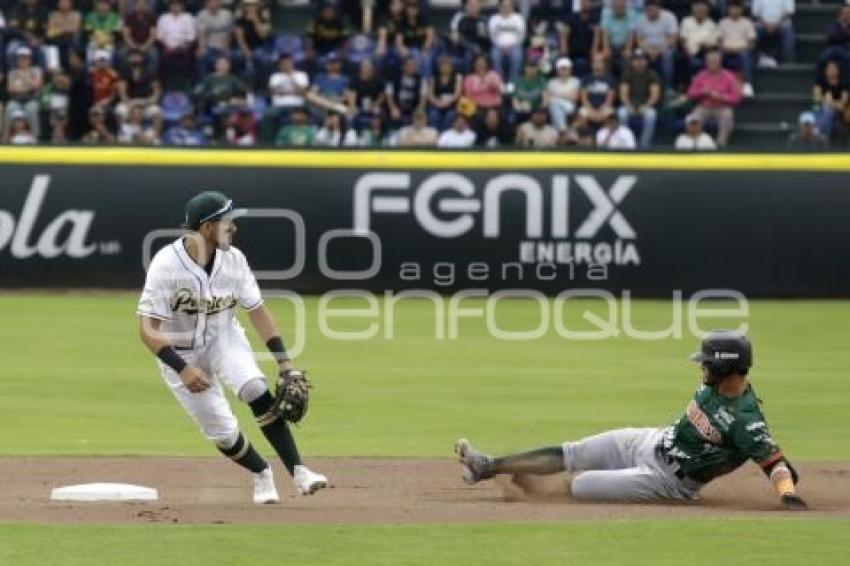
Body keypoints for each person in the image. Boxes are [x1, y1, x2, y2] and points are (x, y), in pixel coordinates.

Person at [456, 330, 808, 511]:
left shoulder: (745, 421)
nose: (701, 366)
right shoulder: (719, 386)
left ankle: (537, 491)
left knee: (583, 484)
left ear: (725, 366)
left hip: (669, 481)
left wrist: (788, 494)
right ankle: (486, 466)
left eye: (707, 361)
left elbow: (775, 463)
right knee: (573, 451)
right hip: (650, 440)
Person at [137, 191, 328, 504]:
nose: (234, 227)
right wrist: (182, 368)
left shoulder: (234, 260)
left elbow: (258, 311)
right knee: (223, 432)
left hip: (223, 337)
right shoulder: (166, 264)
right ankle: (261, 473)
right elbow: (147, 330)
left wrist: (285, 363)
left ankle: (299, 471)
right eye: (227, 221)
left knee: (254, 386)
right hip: (180, 352)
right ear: (207, 227)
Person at [686, 49, 742, 146]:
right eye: (709, 62)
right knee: (693, 118)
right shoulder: (701, 75)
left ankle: (720, 144)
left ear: (719, 62)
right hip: (704, 106)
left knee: (727, 116)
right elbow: (690, 93)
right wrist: (702, 92)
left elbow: (736, 98)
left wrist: (721, 96)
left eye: (714, 62)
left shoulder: (729, 76)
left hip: (722, 106)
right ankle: (694, 145)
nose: (711, 64)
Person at [618, 49, 660, 148]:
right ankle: (626, 145)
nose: (639, 62)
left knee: (651, 115)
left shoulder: (652, 74)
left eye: (642, 60)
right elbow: (623, 94)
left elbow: (655, 96)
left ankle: (644, 146)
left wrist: (645, 106)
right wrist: (629, 105)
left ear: (646, 61)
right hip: (630, 105)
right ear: (632, 62)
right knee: (622, 113)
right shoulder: (627, 74)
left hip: (646, 105)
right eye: (636, 60)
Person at [634, 0, 677, 91]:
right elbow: (639, 40)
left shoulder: (669, 16)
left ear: (659, 9)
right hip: (647, 48)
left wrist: (658, 51)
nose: (651, 13)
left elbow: (672, 39)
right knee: (637, 55)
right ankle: (640, 87)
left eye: (654, 10)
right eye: (648, 10)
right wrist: (649, 50)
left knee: (667, 56)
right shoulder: (640, 19)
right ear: (645, 10)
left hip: (665, 47)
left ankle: (668, 87)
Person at [718, 0, 756, 98]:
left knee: (745, 54)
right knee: (717, 54)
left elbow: (752, 43)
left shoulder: (747, 23)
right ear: (728, 9)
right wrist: (724, 48)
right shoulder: (723, 22)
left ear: (741, 9)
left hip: (742, 50)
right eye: (732, 8)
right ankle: (718, 82)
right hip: (726, 49)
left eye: (737, 8)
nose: (734, 10)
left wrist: (741, 48)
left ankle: (747, 83)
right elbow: (718, 41)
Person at [116, 48, 162, 130]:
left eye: (137, 56)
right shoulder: (124, 72)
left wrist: (150, 101)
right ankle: (124, 135)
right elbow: (122, 92)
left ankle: (155, 137)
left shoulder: (150, 72)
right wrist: (131, 105)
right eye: (132, 56)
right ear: (128, 58)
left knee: (157, 112)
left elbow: (157, 91)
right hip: (129, 102)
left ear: (142, 58)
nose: (135, 58)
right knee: (120, 111)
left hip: (146, 101)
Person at [5, 46, 43, 141]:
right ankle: (4, 138)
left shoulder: (36, 70)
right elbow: (11, 88)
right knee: (10, 108)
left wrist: (22, 82)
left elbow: (36, 85)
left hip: (31, 99)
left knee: (31, 109)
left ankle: (35, 138)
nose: (23, 60)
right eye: (21, 58)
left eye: (25, 58)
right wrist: (28, 82)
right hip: (16, 100)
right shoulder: (12, 72)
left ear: (30, 59)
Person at [559, 0, 602, 78]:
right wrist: (564, 51)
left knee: (581, 63)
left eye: (587, 2)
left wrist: (594, 50)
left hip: (588, 54)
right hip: (572, 52)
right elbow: (564, 33)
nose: (585, 4)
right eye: (583, 2)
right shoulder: (572, 17)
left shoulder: (595, 18)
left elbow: (597, 35)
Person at [488, 0, 526, 83]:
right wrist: (501, 47)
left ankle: (513, 82)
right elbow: (492, 36)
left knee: (517, 56)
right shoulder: (494, 19)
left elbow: (522, 35)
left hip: (515, 46)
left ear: (512, 7)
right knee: (495, 56)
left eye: (508, 6)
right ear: (499, 7)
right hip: (498, 46)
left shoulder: (518, 18)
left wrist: (512, 47)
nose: (506, 8)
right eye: (504, 6)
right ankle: (499, 82)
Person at [196, 0, 234, 77]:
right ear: (206, 4)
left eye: (215, 2)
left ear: (220, 3)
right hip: (208, 46)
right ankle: (203, 82)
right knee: (200, 56)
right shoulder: (201, 15)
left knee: (228, 58)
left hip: (223, 45)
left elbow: (229, 33)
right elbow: (201, 33)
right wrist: (202, 48)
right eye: (210, 2)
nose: (213, 4)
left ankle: (226, 83)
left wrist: (226, 48)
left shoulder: (227, 14)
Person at [679, 0, 718, 75]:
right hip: (688, 53)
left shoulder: (712, 24)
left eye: (702, 11)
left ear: (707, 12)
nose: (700, 13)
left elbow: (714, 44)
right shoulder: (686, 21)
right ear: (694, 11)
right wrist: (687, 52)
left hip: (705, 52)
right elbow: (682, 40)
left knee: (705, 61)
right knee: (693, 62)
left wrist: (705, 46)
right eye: (698, 11)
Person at [385, 55, 425, 127]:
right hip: (398, 107)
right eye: (408, 65)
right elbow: (389, 96)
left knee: (419, 116)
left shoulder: (421, 80)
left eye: (413, 65)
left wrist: (418, 110)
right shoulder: (394, 78)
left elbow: (423, 98)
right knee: (392, 116)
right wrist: (393, 108)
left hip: (413, 108)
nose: (411, 67)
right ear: (403, 66)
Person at [812, 60, 848, 140]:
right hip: (820, 110)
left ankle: (817, 131)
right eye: (829, 69)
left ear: (838, 70)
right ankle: (823, 136)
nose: (832, 71)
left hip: (838, 113)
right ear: (825, 70)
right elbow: (816, 98)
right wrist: (829, 101)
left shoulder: (843, 85)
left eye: (834, 68)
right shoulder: (820, 83)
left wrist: (829, 101)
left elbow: (842, 105)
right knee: (825, 109)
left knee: (828, 109)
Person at [578, 54, 616, 129]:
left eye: (599, 62)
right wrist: (592, 111)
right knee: (582, 113)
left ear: (604, 64)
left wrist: (600, 111)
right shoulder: (585, 79)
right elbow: (584, 99)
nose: (597, 64)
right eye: (595, 62)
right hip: (589, 107)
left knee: (609, 114)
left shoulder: (610, 79)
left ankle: (604, 137)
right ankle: (585, 137)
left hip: (604, 107)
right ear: (591, 64)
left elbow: (610, 99)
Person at [752, 0, 795, 66]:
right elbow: (755, 13)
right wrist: (766, 24)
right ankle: (756, 60)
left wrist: (776, 24)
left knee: (788, 33)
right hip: (762, 24)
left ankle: (786, 64)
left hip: (782, 23)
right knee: (752, 34)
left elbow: (789, 12)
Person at [426, 55, 461, 131]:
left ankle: (444, 136)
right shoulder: (433, 78)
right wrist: (437, 103)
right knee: (433, 115)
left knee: (450, 115)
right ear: (439, 67)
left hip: (451, 104)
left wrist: (447, 102)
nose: (445, 67)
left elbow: (457, 94)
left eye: (447, 65)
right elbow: (430, 94)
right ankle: (434, 134)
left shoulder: (457, 77)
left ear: (452, 67)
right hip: (436, 103)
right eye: (442, 65)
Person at [123, 0, 159, 75]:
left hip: (147, 45)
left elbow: (153, 36)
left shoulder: (151, 17)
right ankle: (127, 78)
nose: (141, 6)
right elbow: (126, 35)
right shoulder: (129, 17)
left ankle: (148, 78)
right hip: (131, 44)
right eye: (139, 4)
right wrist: (133, 46)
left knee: (154, 55)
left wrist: (145, 46)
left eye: (143, 4)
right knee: (121, 54)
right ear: (135, 5)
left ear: (147, 6)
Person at [547, 57, 581, 133]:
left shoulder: (575, 81)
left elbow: (574, 98)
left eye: (566, 69)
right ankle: (562, 128)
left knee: (555, 104)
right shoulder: (552, 82)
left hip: (570, 106)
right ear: (557, 70)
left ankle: (559, 130)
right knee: (554, 105)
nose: (563, 71)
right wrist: (565, 95)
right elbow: (548, 97)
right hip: (553, 105)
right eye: (561, 69)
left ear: (570, 70)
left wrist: (558, 95)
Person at [600, 0, 638, 64]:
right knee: (605, 58)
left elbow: (632, 33)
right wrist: (606, 49)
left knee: (627, 58)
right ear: (612, 7)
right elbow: (605, 33)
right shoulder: (606, 13)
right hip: (611, 45)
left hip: (625, 45)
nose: (619, 9)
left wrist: (628, 49)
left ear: (625, 6)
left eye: (621, 7)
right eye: (617, 7)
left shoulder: (632, 14)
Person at [512, 59, 548, 126]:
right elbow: (515, 100)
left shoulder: (541, 80)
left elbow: (545, 99)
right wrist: (520, 108)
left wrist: (538, 110)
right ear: (525, 68)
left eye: (534, 67)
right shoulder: (518, 81)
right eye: (529, 67)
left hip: (536, 110)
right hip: (521, 111)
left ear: (537, 68)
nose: (531, 69)